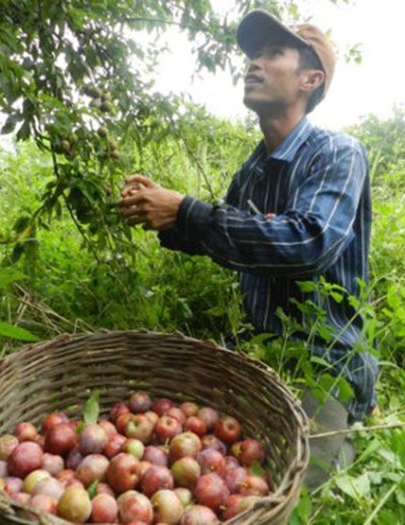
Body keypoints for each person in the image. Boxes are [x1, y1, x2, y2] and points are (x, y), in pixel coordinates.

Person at [118, 9, 378, 488]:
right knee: (194, 469)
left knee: (283, 492)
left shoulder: (338, 154)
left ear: (310, 79)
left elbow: (308, 244)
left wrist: (186, 211)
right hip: (257, 354)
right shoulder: (254, 171)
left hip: (320, 359)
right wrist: (163, 212)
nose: (254, 63)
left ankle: (348, 434)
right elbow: (219, 234)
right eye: (254, 53)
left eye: (273, 53)